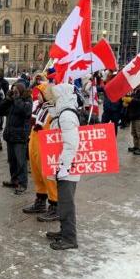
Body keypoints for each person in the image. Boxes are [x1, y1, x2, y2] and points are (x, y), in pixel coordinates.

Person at [45, 83, 81, 251]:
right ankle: (64, 231)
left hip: (67, 167)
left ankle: (69, 238)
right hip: (63, 165)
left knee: (66, 203)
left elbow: (71, 143)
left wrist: (64, 166)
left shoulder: (66, 116)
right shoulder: (63, 113)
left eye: (53, 95)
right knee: (63, 202)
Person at [23, 83, 59, 221]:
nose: (37, 95)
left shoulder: (54, 111)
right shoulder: (40, 107)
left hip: (46, 147)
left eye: (40, 92)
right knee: (37, 175)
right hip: (35, 144)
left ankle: (55, 205)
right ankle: (40, 201)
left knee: (48, 177)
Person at [0, 83, 33, 194]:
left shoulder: (27, 100)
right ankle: (14, 180)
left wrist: (17, 98)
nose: (14, 92)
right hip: (10, 134)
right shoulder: (12, 100)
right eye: (13, 90)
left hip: (20, 135)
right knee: (12, 160)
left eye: (16, 91)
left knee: (20, 161)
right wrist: (7, 99)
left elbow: (24, 111)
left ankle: (22, 183)